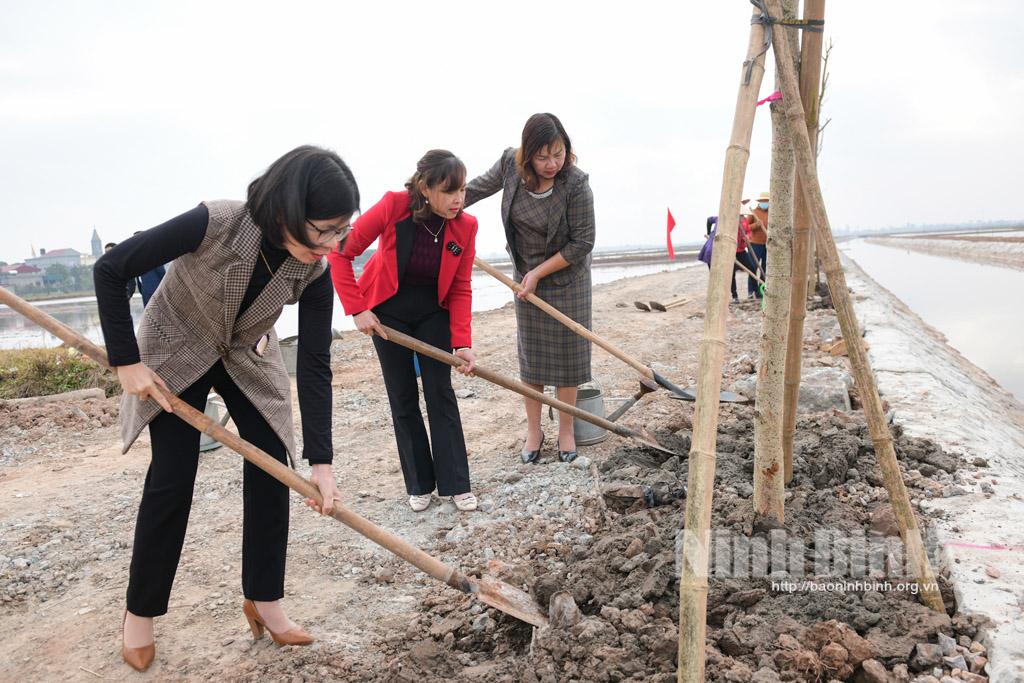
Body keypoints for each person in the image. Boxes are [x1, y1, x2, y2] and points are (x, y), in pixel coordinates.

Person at [93, 145, 358, 672]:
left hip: (243, 354)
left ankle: (265, 600)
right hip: (177, 345)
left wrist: (322, 465)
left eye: (341, 232)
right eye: (325, 229)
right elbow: (111, 269)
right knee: (173, 475)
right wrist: (126, 362)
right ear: (287, 209)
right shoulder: (214, 221)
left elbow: (314, 364)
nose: (333, 244)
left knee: (271, 464)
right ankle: (139, 614)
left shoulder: (314, 269)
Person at [329, 150, 479, 513]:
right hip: (388, 314)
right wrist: (358, 309)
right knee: (403, 397)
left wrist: (463, 343)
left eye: (461, 189)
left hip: (433, 313)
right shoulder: (394, 206)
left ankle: (456, 483)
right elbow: (339, 253)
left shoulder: (466, 226)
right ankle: (419, 483)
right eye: (449, 191)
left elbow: (460, 287)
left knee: (440, 392)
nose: (458, 199)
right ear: (426, 189)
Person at [465, 113, 595, 464]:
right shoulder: (510, 164)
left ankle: (566, 431)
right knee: (533, 356)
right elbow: (475, 189)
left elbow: (583, 241)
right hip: (525, 276)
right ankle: (534, 431)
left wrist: (541, 272)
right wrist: (442, 203)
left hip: (567, 276)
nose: (552, 163)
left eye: (559, 153)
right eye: (542, 156)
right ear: (527, 154)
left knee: (568, 354)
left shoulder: (576, 183)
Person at [131, 231, 166, 306]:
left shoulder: (153, 253)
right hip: (145, 292)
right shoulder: (136, 257)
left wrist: (162, 289)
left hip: (156, 291)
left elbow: (161, 272)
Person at [733, 209, 758, 302]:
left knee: (752, 268)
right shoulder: (731, 220)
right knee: (732, 273)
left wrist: (747, 236)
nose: (742, 216)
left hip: (741, 250)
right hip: (731, 251)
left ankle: (756, 291)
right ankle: (735, 296)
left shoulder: (745, 220)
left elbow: (748, 231)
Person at [748, 191, 770, 298]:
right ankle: (751, 291)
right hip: (755, 244)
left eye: (767, 201)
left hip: (768, 245)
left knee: (765, 268)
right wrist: (756, 225)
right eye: (763, 201)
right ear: (759, 202)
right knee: (753, 267)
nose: (765, 203)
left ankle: (762, 291)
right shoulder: (753, 212)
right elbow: (746, 227)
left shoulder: (772, 212)